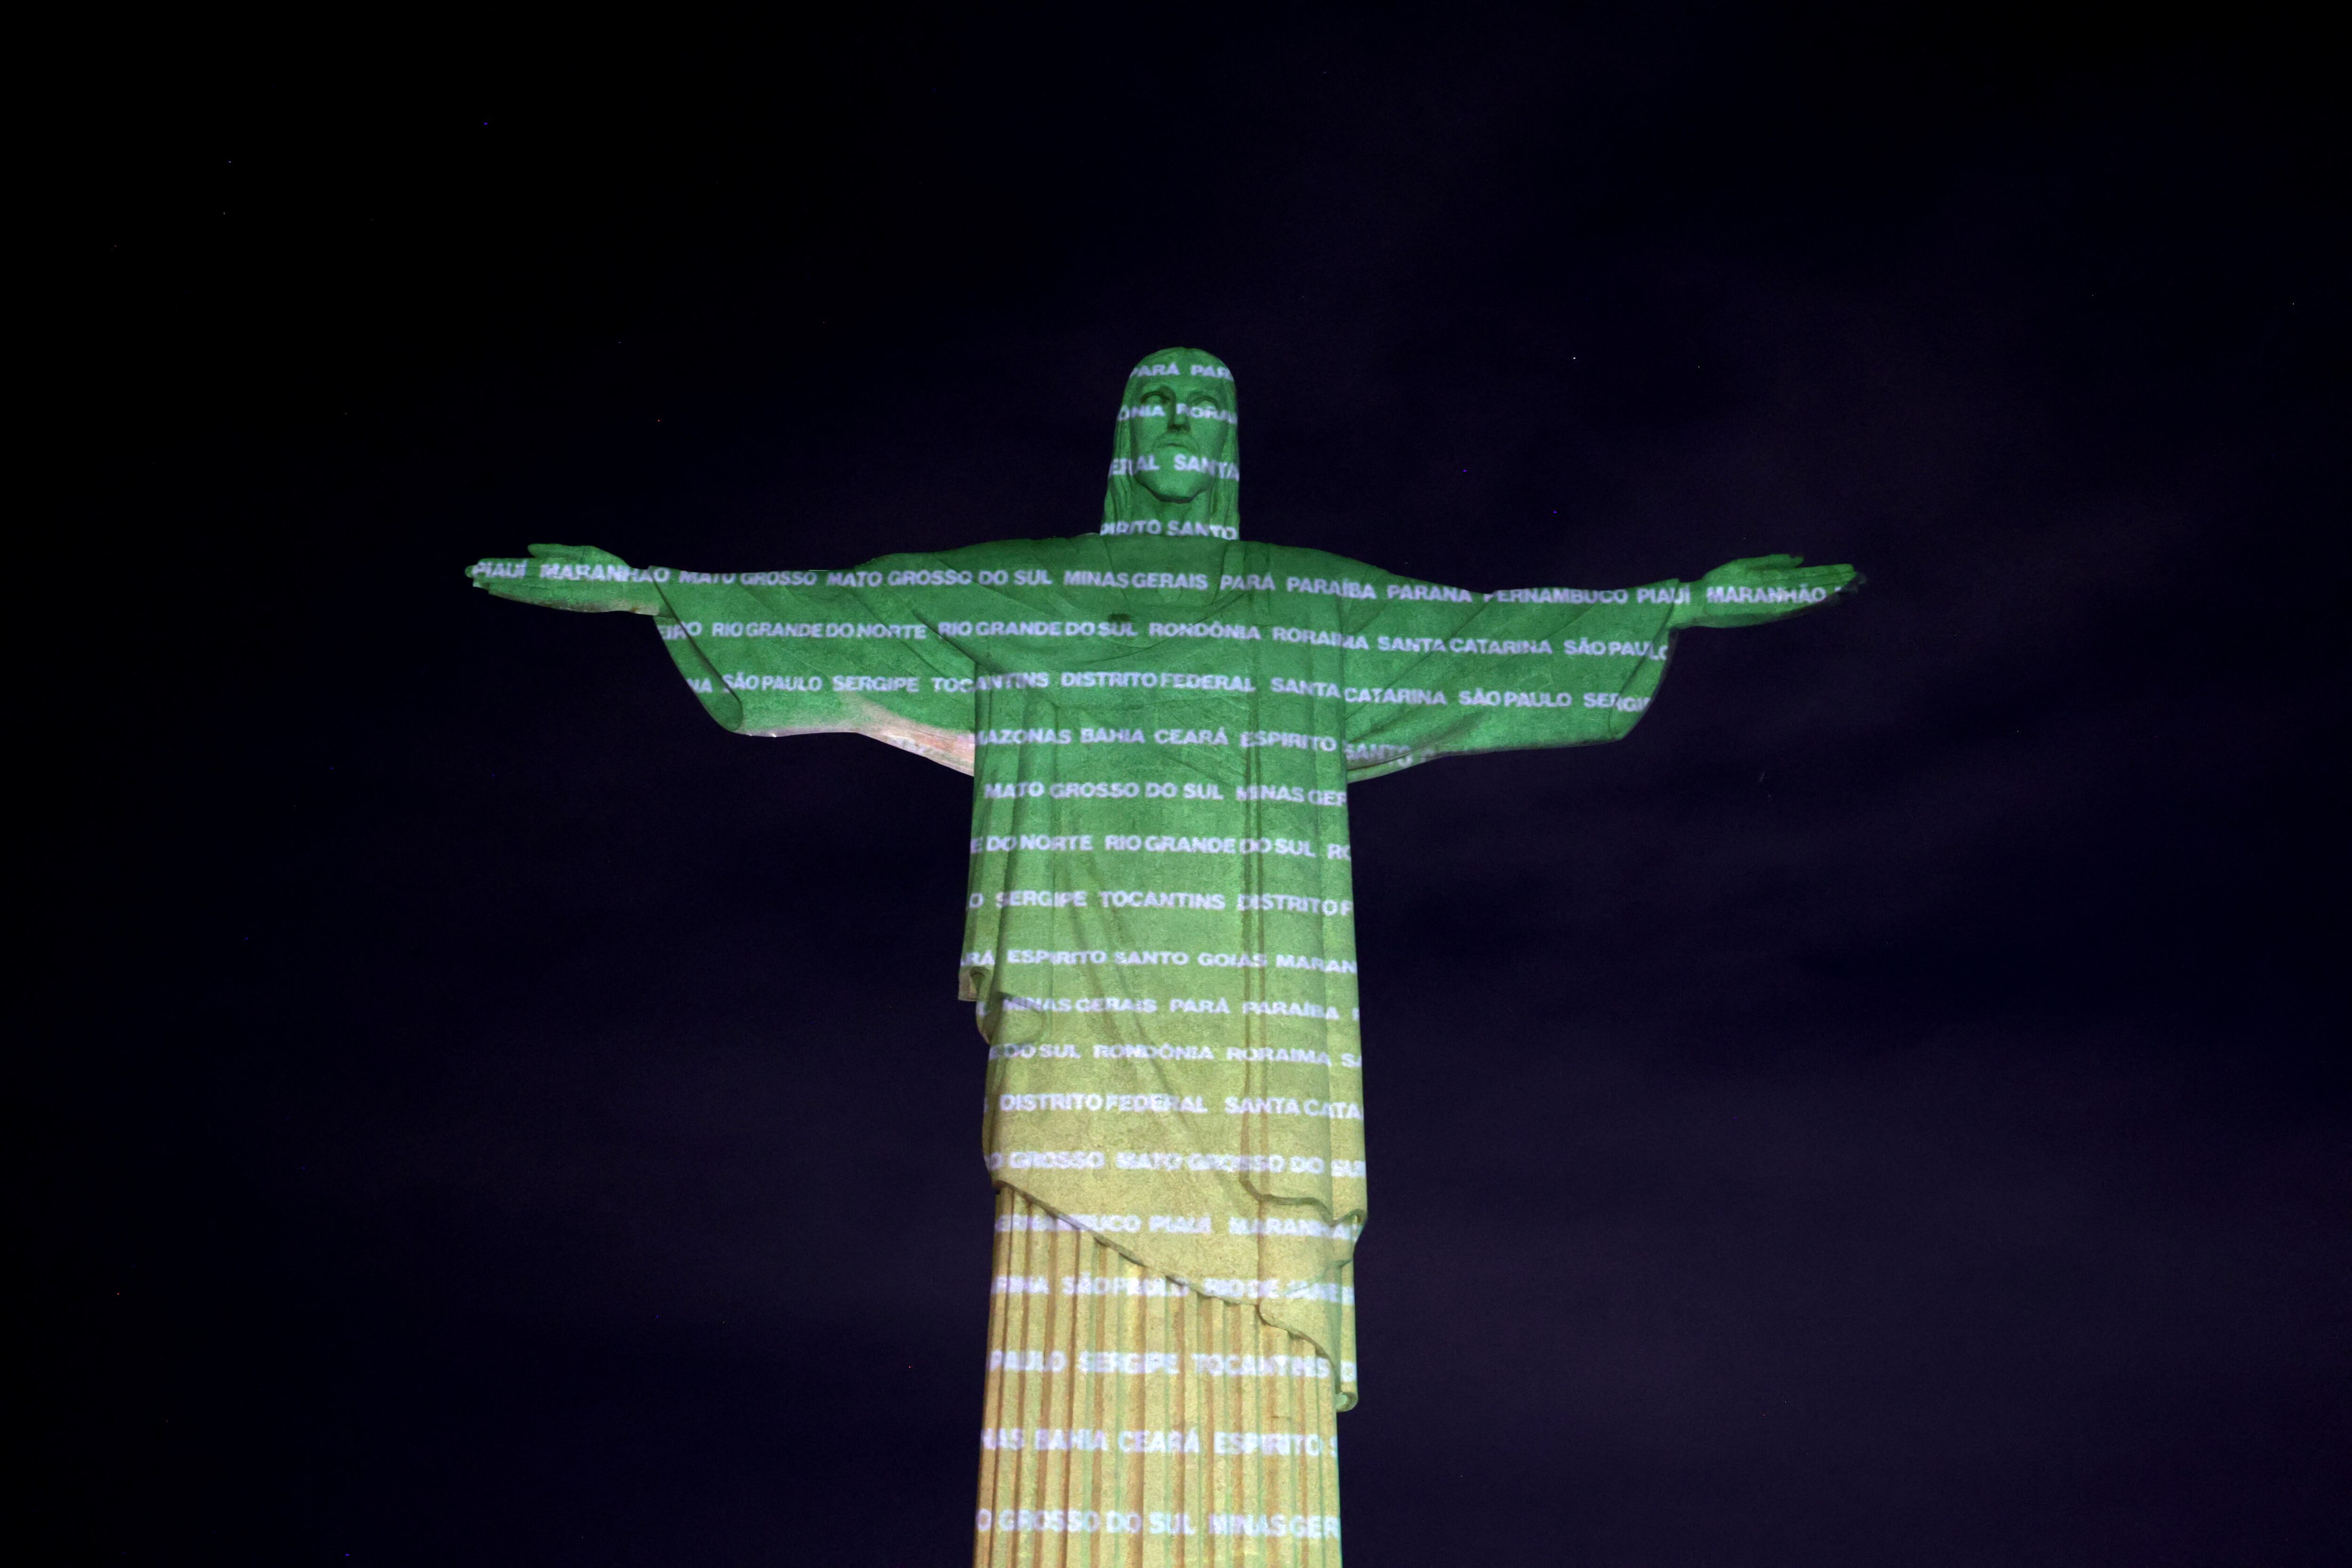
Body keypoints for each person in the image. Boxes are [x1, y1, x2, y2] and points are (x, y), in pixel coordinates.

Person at [469, 347, 1856, 1562]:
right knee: (1070, 1331)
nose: (1187, 420)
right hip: (1079, 1012)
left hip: (1253, 1039)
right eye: (1163, 398)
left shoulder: (1303, 609)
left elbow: (1470, 635)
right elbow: (847, 614)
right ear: (1132, 433)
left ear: (1234, 438)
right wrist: (651, 593)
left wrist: (1666, 606)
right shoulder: (1030, 598)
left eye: (1211, 400)